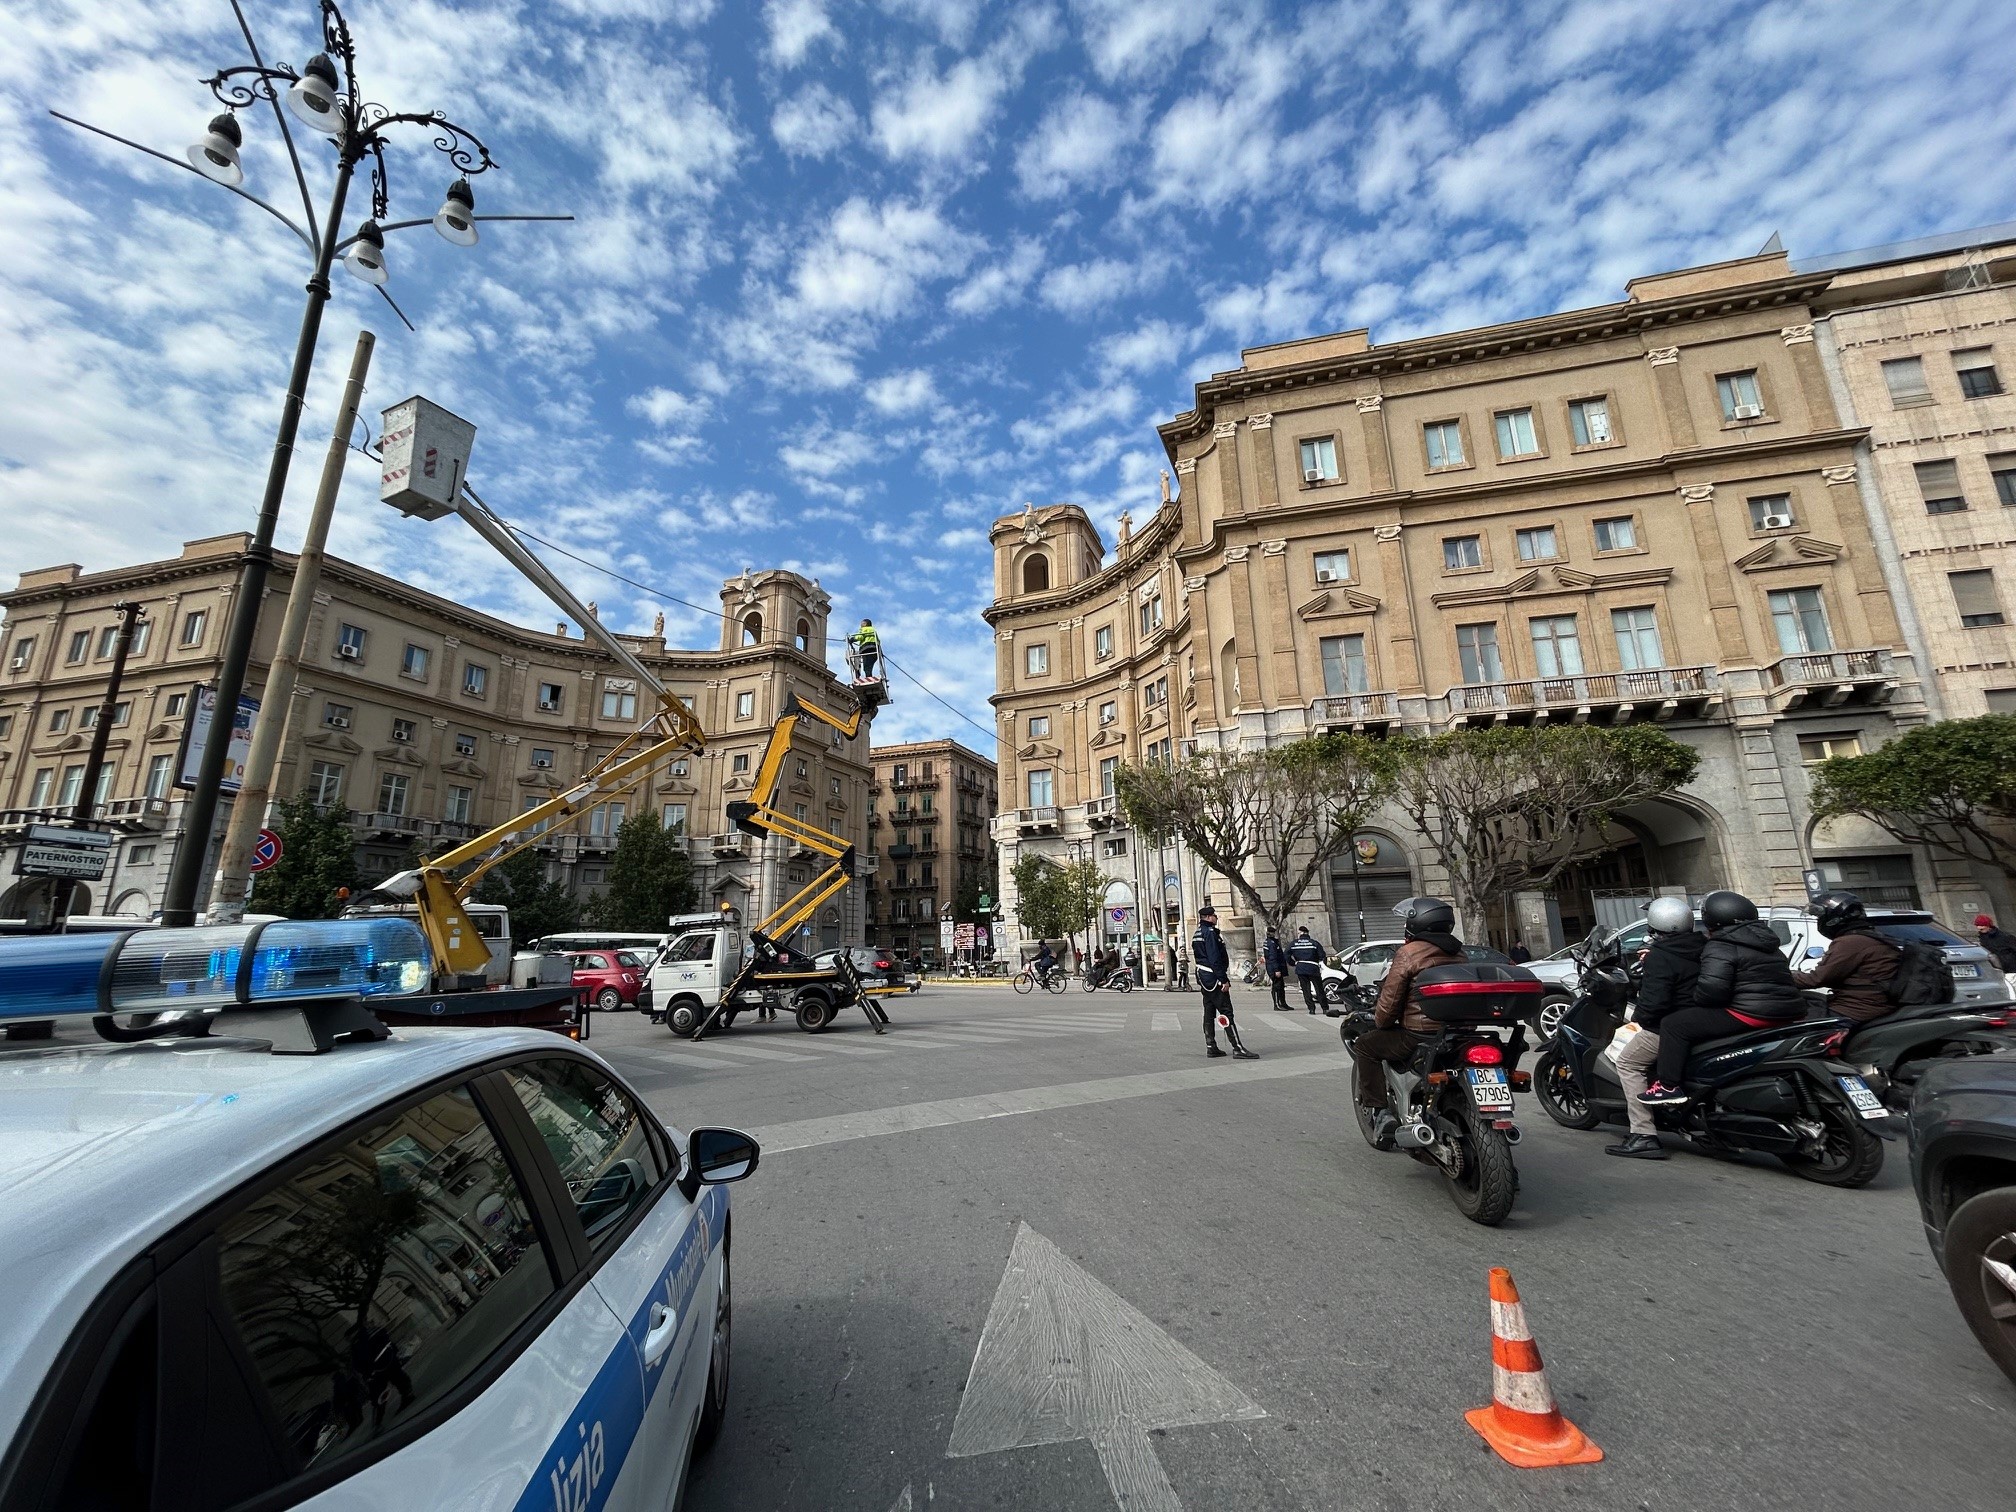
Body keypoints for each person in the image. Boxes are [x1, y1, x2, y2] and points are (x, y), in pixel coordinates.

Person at [1640, 890, 1805, 1105]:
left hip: (1751, 1014)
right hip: (1789, 1010)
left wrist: (1696, 999)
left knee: (1674, 1024)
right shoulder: (1768, 942)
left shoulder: (1720, 945)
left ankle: (1668, 1086)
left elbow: (1712, 992)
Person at [1351, 897, 1463, 1143]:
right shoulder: (1459, 952)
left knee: (1366, 1046)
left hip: (1419, 1035)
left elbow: (1390, 1001)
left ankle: (1380, 1113)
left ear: (1416, 923)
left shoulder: (1409, 953)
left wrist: (1381, 1021)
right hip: (1458, 1033)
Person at [1606, 897, 1703, 1160]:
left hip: (1668, 1026)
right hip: (1700, 1021)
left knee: (1628, 1062)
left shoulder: (1661, 956)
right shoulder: (1701, 946)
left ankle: (1643, 1134)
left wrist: (1638, 1018)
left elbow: (1654, 1003)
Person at [1792, 890, 1899, 1024]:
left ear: (1834, 918)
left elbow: (1816, 979)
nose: (1819, 921)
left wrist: (1780, 978)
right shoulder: (1871, 937)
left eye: (1820, 918)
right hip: (1875, 1004)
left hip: (1858, 1009)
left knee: (1794, 1022)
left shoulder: (1850, 942)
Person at [1192, 904, 1257, 1060]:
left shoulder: (1198, 933)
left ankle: (1211, 1046)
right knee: (1226, 1011)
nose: (1216, 917)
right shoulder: (1209, 933)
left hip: (1203, 976)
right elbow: (1214, 958)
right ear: (1209, 917)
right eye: (1214, 915)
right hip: (1212, 976)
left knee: (1209, 1012)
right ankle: (1237, 1047)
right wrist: (1223, 979)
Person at [1288, 925, 1328, 1013]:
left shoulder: (1294, 944)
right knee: (1319, 989)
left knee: (1306, 990)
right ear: (1307, 933)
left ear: (1301, 933)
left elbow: (1286, 955)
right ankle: (1324, 1008)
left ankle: (1311, 1009)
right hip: (1313, 968)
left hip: (1301, 968)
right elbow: (1322, 955)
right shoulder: (1314, 943)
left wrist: (1293, 963)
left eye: (1298, 933)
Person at [1262, 927, 1291, 1011]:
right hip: (1274, 968)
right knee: (1277, 987)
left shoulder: (1270, 942)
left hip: (1274, 967)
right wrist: (1276, 970)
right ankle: (1277, 1004)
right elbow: (1273, 957)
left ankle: (1283, 1003)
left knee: (1281, 986)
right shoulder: (1271, 943)